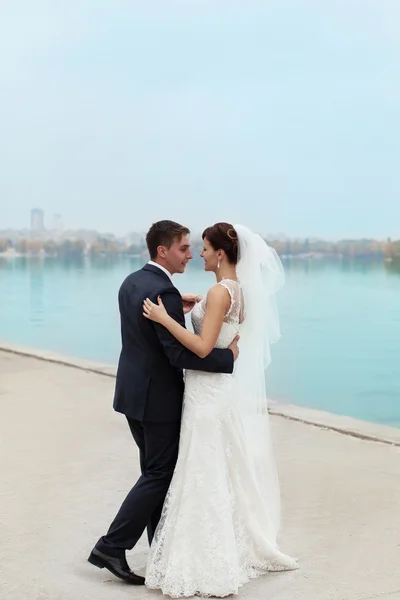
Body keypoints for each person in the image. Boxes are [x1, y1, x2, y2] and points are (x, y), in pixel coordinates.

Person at [143, 222, 299, 598]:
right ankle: (214, 550)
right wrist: (194, 310)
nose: (200, 254)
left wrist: (165, 319)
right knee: (214, 469)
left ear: (221, 254)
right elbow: (222, 338)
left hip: (206, 395)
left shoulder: (218, 292)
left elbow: (200, 347)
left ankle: (207, 562)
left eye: (205, 249)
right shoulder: (237, 291)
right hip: (216, 391)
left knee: (204, 470)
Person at [88, 220, 239, 585]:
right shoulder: (164, 292)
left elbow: (148, 339)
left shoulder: (132, 282)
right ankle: (112, 545)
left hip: (131, 395)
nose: (190, 255)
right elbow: (176, 354)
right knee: (159, 474)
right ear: (163, 251)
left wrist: (178, 311)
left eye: (193, 248)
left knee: (155, 475)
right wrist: (227, 358)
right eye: (184, 248)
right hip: (158, 400)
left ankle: (159, 552)